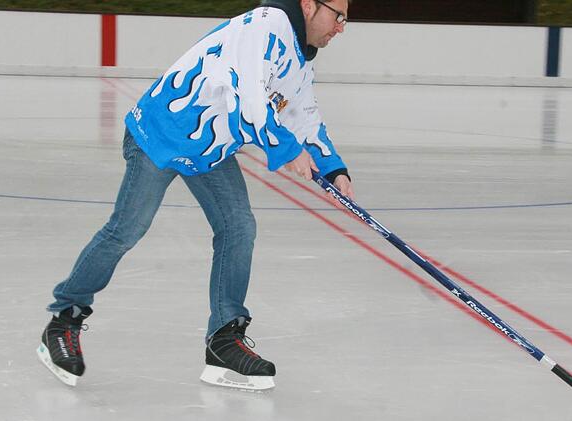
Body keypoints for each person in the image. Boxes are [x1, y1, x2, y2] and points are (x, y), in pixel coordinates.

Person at [37, 0, 353, 391]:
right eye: (338, 15)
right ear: (309, 5)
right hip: (162, 132)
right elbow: (250, 102)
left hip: (208, 150)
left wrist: (333, 167)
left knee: (239, 227)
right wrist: (287, 151)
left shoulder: (301, 56)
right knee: (128, 228)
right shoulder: (266, 26)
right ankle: (64, 318)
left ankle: (224, 339)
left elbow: (302, 114)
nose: (341, 26)